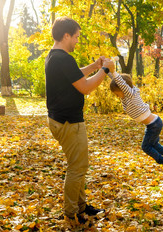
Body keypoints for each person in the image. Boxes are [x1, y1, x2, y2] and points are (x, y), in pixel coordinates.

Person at [45, 16, 114, 222]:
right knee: (77, 167)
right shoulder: (64, 58)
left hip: (61, 120)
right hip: (69, 122)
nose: (76, 41)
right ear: (66, 35)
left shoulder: (54, 56)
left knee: (79, 165)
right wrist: (105, 70)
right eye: (75, 37)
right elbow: (85, 87)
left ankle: (81, 206)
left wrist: (94, 66)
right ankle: (71, 213)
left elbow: (75, 75)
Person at [106, 65, 163, 175]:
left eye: (117, 93)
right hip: (152, 124)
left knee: (146, 147)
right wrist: (106, 70)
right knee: (154, 145)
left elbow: (120, 83)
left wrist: (113, 71)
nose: (116, 95)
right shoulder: (126, 97)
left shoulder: (131, 94)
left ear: (123, 88)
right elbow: (116, 81)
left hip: (154, 125)